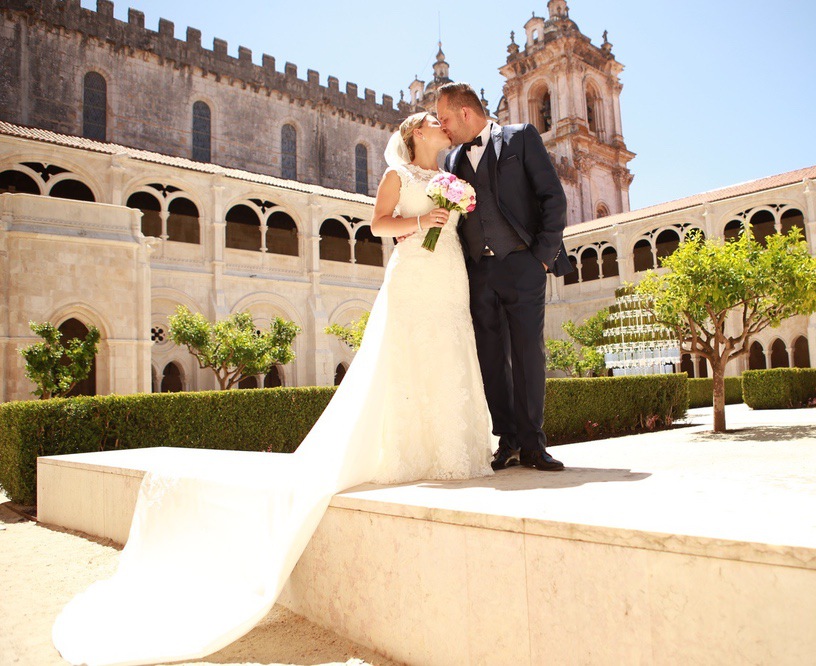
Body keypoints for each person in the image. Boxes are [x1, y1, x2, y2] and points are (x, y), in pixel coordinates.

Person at [51, 112, 494, 666]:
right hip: (412, 274)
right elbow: (378, 225)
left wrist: (448, 212)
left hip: (447, 272)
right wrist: (423, 218)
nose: (441, 125)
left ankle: (449, 447)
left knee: (448, 348)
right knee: (407, 357)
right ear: (414, 134)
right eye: (431, 120)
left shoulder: (452, 176)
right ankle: (412, 450)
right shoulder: (397, 175)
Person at [437, 82, 572, 472]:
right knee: (491, 358)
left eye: (445, 118)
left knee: (528, 354)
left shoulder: (521, 138)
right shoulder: (451, 161)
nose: (443, 127)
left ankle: (533, 445)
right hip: (478, 271)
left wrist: (541, 258)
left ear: (465, 113)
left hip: (522, 264)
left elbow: (553, 198)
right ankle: (508, 441)